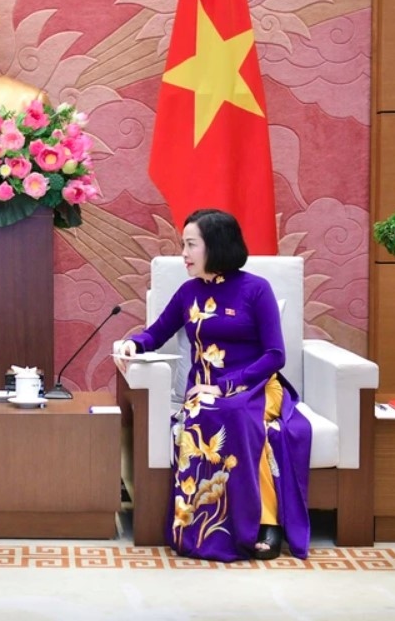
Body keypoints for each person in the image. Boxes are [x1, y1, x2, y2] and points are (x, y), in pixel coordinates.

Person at [115, 209, 312, 562]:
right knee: (205, 413)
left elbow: (275, 355)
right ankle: (203, 529)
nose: (184, 254)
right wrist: (133, 343)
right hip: (201, 393)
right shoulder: (188, 292)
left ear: (216, 246)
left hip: (255, 385)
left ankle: (265, 523)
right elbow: (156, 333)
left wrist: (225, 386)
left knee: (236, 414)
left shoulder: (257, 290)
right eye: (183, 245)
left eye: (191, 245)